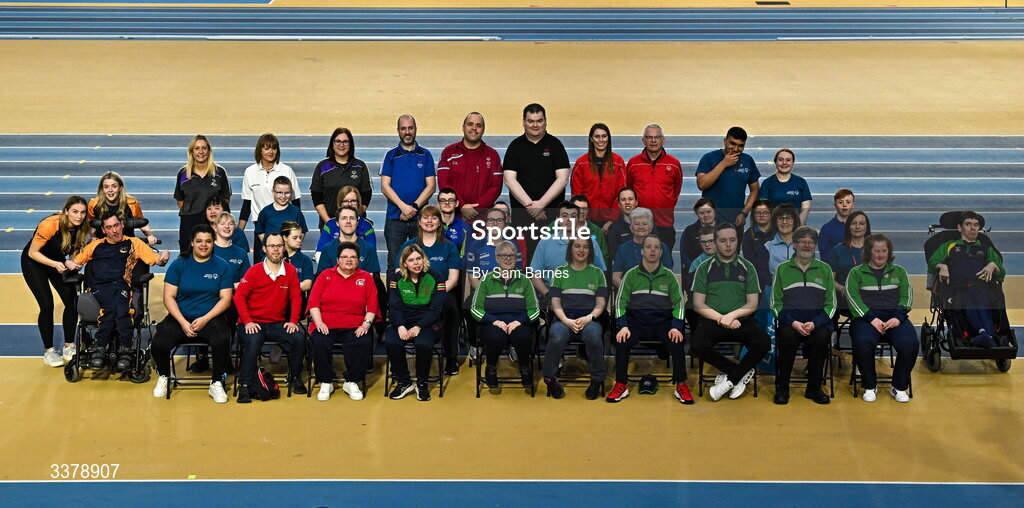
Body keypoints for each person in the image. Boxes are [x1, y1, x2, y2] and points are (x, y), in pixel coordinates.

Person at [70, 211, 169, 370]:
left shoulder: (134, 243)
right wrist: (68, 264)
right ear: (103, 230)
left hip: (123, 286)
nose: (114, 230)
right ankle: (101, 347)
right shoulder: (95, 245)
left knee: (122, 308)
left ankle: (125, 348)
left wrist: (162, 259)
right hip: (98, 287)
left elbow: (155, 260)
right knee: (110, 307)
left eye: (116, 225)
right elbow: (75, 262)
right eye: (109, 227)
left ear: (122, 225)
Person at [150, 224, 234, 403]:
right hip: (181, 318)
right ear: (192, 243)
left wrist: (205, 318)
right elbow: (169, 297)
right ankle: (165, 375)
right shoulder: (179, 264)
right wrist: (181, 321)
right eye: (199, 241)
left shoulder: (222, 266)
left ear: (214, 243)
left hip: (210, 317)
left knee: (222, 339)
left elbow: (225, 299)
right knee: (158, 342)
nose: (203, 245)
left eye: (208, 241)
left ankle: (217, 381)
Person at [690, 222, 771, 402]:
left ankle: (730, 379)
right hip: (712, 319)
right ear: (716, 242)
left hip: (741, 319)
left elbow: (752, 303)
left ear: (737, 242)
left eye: (732, 240)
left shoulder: (747, 267)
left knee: (763, 342)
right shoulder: (704, 268)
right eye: (723, 240)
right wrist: (721, 318)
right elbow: (698, 304)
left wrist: (732, 315)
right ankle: (738, 373)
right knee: (696, 344)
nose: (728, 245)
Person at [608, 235, 692, 405]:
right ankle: (621, 384)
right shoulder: (631, 275)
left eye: (656, 247)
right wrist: (623, 326)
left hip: (662, 324)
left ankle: (681, 385)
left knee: (677, 340)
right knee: (622, 340)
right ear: (642, 251)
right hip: (635, 324)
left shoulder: (669, 276)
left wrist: (676, 326)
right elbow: (620, 302)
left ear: (661, 252)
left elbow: (679, 303)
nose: (652, 250)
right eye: (649, 247)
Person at [233, 232, 307, 403]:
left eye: (279, 246)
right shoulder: (254, 271)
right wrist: (248, 321)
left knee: (299, 338)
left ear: (284, 248)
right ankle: (244, 385)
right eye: (272, 246)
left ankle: (295, 377)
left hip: (276, 323)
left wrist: (294, 321)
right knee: (254, 340)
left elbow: (296, 297)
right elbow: (239, 297)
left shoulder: (290, 270)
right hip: (251, 323)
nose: (276, 250)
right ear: (265, 249)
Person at [846, 234, 916, 403]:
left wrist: (898, 319)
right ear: (869, 252)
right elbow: (852, 298)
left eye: (884, 251)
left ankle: (898, 387)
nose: (881, 254)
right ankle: (870, 386)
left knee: (910, 344)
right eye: (876, 251)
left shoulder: (899, 272)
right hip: (866, 319)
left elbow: (906, 298)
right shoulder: (856, 273)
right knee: (862, 343)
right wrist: (872, 319)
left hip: (895, 318)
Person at [770, 226, 834, 405]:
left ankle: (814, 389)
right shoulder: (782, 269)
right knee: (786, 337)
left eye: (811, 242)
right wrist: (793, 322)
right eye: (802, 242)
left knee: (822, 337)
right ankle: (782, 388)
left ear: (815, 245)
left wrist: (815, 323)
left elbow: (831, 304)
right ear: (795, 245)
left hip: (817, 324)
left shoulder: (825, 269)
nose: (807, 246)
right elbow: (775, 303)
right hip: (791, 324)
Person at [309, 242, 380, 402]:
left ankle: (352, 381)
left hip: (355, 324)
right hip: (326, 323)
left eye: (353, 257)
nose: (349, 260)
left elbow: (373, 306)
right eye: (345, 257)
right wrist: (319, 323)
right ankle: (326, 381)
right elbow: (313, 303)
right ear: (338, 259)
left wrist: (365, 325)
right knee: (319, 341)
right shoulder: (325, 275)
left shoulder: (366, 278)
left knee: (362, 341)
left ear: (358, 260)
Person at [22, 196, 90, 366]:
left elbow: (73, 251)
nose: (79, 216)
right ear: (66, 211)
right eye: (74, 211)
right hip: (34, 263)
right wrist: (55, 264)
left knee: (72, 301)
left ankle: (69, 346)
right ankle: (49, 351)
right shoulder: (50, 224)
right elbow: (33, 252)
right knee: (47, 305)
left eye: (82, 212)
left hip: (56, 262)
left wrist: (73, 262)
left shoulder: (82, 228)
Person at [399, 205, 461, 375]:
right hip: (413, 295)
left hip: (442, 294)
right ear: (419, 222)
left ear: (440, 223)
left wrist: (435, 296)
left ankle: (451, 357)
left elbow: (453, 279)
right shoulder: (409, 245)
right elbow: (400, 274)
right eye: (425, 217)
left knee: (451, 307)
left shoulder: (449, 247)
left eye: (434, 218)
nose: (429, 221)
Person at [927, 211, 1005, 348]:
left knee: (982, 302)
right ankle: (987, 335)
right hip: (957, 287)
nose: (973, 228)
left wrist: (994, 266)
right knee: (967, 302)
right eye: (968, 224)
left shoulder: (987, 248)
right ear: (959, 227)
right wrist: (942, 265)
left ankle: (983, 335)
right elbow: (932, 263)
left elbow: (1001, 274)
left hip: (982, 286)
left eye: (976, 225)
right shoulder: (948, 245)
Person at [471, 240, 540, 390]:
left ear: (517, 259)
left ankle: (524, 368)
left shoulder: (525, 280)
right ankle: (491, 368)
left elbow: (534, 310)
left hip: (518, 323)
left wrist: (520, 321)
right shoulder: (486, 280)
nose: (508, 259)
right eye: (503, 255)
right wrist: (494, 321)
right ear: (496, 258)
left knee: (523, 336)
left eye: (512, 256)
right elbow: (475, 308)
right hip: (492, 324)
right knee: (496, 336)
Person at [544, 238, 607, 400]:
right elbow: (555, 302)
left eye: (585, 247)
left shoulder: (597, 273)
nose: (581, 250)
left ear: (590, 251)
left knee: (593, 335)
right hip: (564, 320)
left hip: (589, 320)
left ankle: (596, 380)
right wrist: (566, 320)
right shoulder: (560, 271)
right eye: (577, 246)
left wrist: (589, 317)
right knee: (557, 336)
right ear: (570, 250)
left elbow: (601, 303)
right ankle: (550, 379)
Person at [503, 103, 570, 255]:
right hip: (522, 216)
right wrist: (531, 206)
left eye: (539, 121)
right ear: (523, 122)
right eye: (531, 121)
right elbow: (509, 180)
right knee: (525, 256)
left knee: (552, 255)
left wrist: (541, 204)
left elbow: (563, 178)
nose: (535, 125)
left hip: (552, 216)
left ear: (545, 121)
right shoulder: (515, 146)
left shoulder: (555, 145)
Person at [385, 244, 446, 401]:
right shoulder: (395, 279)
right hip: (403, 320)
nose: (416, 263)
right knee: (392, 342)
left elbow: (436, 309)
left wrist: (419, 326)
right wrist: (400, 326)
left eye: (419, 259)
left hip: (427, 321)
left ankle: (422, 383)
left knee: (423, 344)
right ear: (405, 263)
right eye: (411, 260)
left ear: (423, 259)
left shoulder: (436, 277)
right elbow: (394, 306)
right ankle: (404, 382)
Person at [381, 114, 437, 271]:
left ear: (416, 129)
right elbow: (385, 187)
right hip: (394, 219)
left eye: (410, 128)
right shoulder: (391, 155)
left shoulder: (425, 155)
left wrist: (413, 208)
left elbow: (431, 186)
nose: (407, 132)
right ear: (398, 131)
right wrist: (403, 207)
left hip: (420, 219)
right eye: (403, 128)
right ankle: (393, 296)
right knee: (394, 263)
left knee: (421, 262)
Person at [238, 133, 300, 255]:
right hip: (261, 229)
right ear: (259, 150)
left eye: (274, 148)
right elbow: (247, 204)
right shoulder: (250, 172)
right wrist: (239, 232)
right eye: (266, 148)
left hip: (285, 228)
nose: (270, 151)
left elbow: (296, 202)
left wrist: (296, 231)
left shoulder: (286, 171)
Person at [530, 201, 607, 298]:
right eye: (564, 215)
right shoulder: (545, 242)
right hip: (552, 294)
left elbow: (600, 274)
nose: (569, 219)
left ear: (578, 219)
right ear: (557, 220)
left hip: (585, 296)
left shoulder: (591, 243)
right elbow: (534, 275)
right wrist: (549, 296)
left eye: (573, 216)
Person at [436, 112, 503, 221]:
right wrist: (461, 206)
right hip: (454, 216)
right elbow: (444, 184)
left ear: (483, 130)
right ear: (463, 127)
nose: (474, 128)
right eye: (470, 124)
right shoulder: (448, 152)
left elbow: (496, 187)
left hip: (483, 218)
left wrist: (477, 208)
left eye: (478, 125)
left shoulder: (492, 155)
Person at [625, 124, 682, 250]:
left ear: (663, 140)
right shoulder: (633, 164)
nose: (653, 140)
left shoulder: (674, 164)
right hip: (640, 224)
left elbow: (676, 191)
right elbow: (629, 191)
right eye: (649, 137)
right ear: (643, 140)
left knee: (664, 262)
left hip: (664, 223)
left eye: (657, 137)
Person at [174, 134, 231, 255]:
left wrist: (214, 216)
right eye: (197, 148)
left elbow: (226, 200)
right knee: (187, 257)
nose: (201, 152)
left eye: (204, 148)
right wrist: (193, 210)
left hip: (212, 222)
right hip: (189, 223)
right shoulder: (183, 173)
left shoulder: (219, 172)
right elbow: (180, 200)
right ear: (191, 151)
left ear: (209, 150)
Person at [695, 126, 760, 229]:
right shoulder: (709, 158)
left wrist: (744, 213)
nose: (735, 149)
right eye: (732, 143)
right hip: (710, 220)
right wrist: (724, 164)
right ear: (725, 141)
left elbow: (755, 190)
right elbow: (702, 184)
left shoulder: (748, 161)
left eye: (740, 146)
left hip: (735, 221)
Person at [311, 127, 372, 230]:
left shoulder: (360, 166)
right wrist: (329, 222)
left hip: (355, 226)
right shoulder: (322, 167)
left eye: (345, 142)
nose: (341, 145)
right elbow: (316, 197)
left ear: (351, 144)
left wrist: (353, 218)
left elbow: (366, 195)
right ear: (332, 144)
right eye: (338, 141)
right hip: (330, 224)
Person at [569, 123, 626, 226]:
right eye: (597, 136)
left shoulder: (618, 162)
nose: (601, 140)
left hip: (611, 221)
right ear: (591, 139)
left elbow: (621, 194)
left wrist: (612, 220)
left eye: (604, 136)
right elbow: (576, 196)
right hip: (586, 221)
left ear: (608, 138)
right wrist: (583, 220)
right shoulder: (581, 163)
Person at [88, 171, 158, 245]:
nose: (110, 190)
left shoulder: (131, 203)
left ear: (120, 188)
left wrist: (150, 235)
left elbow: (140, 222)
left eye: (114, 186)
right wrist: (93, 237)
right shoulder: (94, 204)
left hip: (127, 245)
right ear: (102, 189)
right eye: (106, 187)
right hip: (103, 245)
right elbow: (90, 223)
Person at [611, 207, 672, 288]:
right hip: (631, 293)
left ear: (651, 227)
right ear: (631, 228)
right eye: (636, 224)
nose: (641, 227)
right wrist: (627, 289)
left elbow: (669, 275)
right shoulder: (623, 249)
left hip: (657, 292)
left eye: (645, 224)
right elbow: (615, 278)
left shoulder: (662, 247)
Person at [314, 185, 376, 262]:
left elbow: (371, 255)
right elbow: (320, 252)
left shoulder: (366, 226)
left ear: (358, 203)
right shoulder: (330, 225)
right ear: (340, 203)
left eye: (353, 201)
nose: (349, 204)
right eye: (345, 201)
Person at [254, 176, 307, 263]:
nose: (283, 196)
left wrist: (292, 245)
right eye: (279, 193)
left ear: (291, 192)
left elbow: (302, 231)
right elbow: (260, 231)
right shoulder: (266, 211)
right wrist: (272, 245)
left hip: (292, 256)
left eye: (286, 193)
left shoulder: (295, 211)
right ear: (273, 192)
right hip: (271, 256)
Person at [317, 206, 381, 276]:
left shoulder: (368, 249)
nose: (348, 221)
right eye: (344, 218)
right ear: (337, 223)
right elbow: (323, 278)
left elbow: (371, 279)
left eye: (352, 218)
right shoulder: (328, 249)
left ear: (357, 222)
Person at [826, 210, 871, 312]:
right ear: (848, 227)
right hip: (845, 297)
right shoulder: (838, 250)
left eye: (861, 224)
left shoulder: (874, 249)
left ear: (867, 227)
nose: (857, 227)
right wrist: (841, 289)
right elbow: (830, 280)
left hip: (870, 295)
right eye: (853, 223)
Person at [760, 148, 811, 225]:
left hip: (796, 229)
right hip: (774, 228)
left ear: (793, 163)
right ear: (775, 162)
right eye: (780, 159)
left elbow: (805, 209)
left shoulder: (801, 182)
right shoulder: (767, 183)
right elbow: (764, 210)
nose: (784, 163)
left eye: (788, 160)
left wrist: (796, 229)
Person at [741, 198, 774, 294]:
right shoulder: (748, 235)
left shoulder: (777, 233)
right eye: (758, 213)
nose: (761, 215)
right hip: (758, 278)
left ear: (771, 214)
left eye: (765, 212)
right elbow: (749, 260)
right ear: (753, 215)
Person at [569, 194, 611, 269]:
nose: (581, 211)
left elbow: (604, 256)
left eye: (585, 209)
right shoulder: (557, 226)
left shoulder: (596, 230)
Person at [211, 212, 251, 289]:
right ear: (215, 228)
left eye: (230, 224)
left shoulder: (241, 253)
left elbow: (246, 280)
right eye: (222, 224)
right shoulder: (208, 250)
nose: (227, 227)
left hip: (235, 297)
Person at [679, 198, 718, 272]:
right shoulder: (689, 231)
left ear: (714, 211)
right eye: (701, 213)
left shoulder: (723, 228)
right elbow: (685, 255)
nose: (706, 215)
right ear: (696, 213)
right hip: (695, 272)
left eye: (708, 212)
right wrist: (698, 270)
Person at [818, 188, 855, 259]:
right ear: (835, 205)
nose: (844, 205)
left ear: (853, 204)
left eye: (848, 202)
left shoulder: (860, 227)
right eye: (840, 202)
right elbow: (824, 257)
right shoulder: (826, 229)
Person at [766, 204, 801, 276]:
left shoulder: (804, 245)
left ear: (795, 222)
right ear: (775, 222)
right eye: (780, 218)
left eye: (788, 218)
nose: (784, 222)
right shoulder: (767, 247)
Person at [281, 221, 315, 292]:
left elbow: (307, 284)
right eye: (295, 238)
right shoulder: (274, 258)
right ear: (285, 238)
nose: (299, 240)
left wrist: (285, 289)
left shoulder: (305, 260)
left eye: (300, 237)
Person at [605, 187, 638, 255]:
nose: (627, 202)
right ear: (619, 204)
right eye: (623, 200)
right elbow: (615, 255)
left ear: (636, 202)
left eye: (630, 199)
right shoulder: (613, 229)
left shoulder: (648, 225)